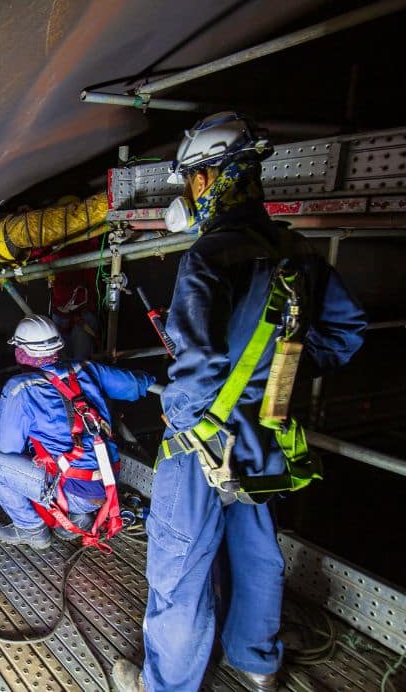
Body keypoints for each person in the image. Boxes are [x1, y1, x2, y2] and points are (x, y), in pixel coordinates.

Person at [111, 113, 367, 692]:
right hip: (266, 432)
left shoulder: (210, 256)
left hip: (204, 437)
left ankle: (168, 685)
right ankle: (256, 660)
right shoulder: (297, 253)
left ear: (209, 179)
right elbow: (346, 334)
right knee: (255, 551)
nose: (190, 193)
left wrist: (185, 431)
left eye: (191, 181)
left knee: (180, 565)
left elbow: (197, 364)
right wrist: (282, 379)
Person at [0, 314, 154, 549]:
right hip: (108, 482)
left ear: (21, 351)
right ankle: (77, 516)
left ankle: (30, 528)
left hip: (74, 489)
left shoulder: (21, 388)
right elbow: (135, 386)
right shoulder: (85, 367)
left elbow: (7, 448)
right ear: (58, 347)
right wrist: (154, 378)